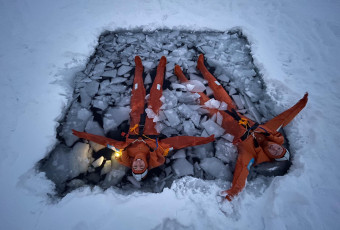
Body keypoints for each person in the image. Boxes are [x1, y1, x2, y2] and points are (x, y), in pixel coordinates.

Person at [174, 54, 308, 201]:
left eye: (275, 153)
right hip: (232, 110)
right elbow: (284, 118)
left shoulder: (249, 154)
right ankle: (202, 67)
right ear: (279, 145)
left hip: (220, 118)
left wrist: (233, 192)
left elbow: (241, 172)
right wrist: (300, 104)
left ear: (270, 156)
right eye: (279, 149)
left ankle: (180, 75)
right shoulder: (270, 131)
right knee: (217, 86)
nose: (274, 149)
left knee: (200, 96)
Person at [72, 56, 215, 181]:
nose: (138, 163)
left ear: (132, 164)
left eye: (135, 166)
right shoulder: (157, 151)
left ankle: (139, 67)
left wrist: (83, 135)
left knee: (137, 89)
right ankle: (161, 67)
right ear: (146, 165)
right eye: (141, 166)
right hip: (152, 113)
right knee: (156, 89)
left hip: (136, 114)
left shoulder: (124, 151)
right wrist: (204, 140)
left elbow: (104, 141)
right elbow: (180, 142)